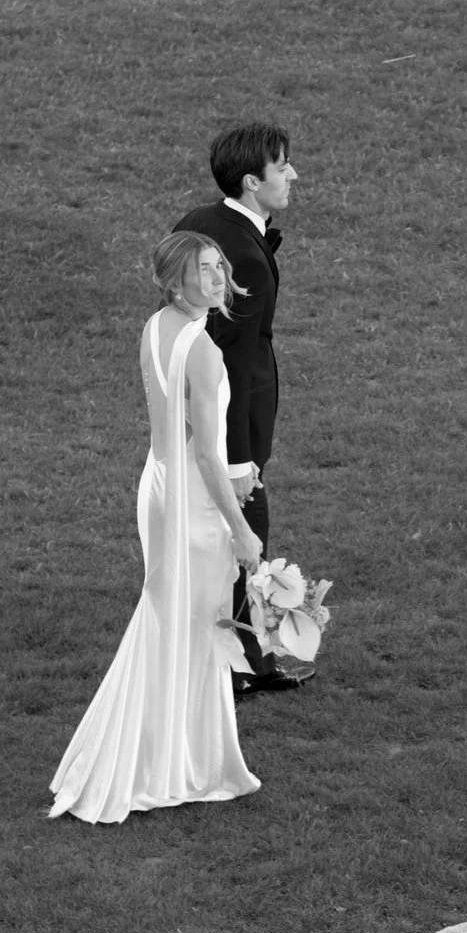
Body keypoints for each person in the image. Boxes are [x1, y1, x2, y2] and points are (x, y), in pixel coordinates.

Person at [48, 231, 263, 826]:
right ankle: (171, 765)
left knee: (174, 620)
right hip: (192, 500)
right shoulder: (206, 352)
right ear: (176, 281)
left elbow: (180, 438)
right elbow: (205, 456)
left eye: (220, 266)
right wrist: (240, 528)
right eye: (204, 269)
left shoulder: (154, 326)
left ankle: (169, 755)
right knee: (195, 626)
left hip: (158, 488)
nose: (218, 278)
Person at [174, 120, 310, 690]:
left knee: (223, 545)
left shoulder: (199, 223)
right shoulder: (245, 261)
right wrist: (238, 456)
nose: (293, 175)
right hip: (231, 429)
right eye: (283, 167)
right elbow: (228, 364)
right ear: (253, 182)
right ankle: (238, 668)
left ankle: (238, 662)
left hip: (187, 416)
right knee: (246, 541)